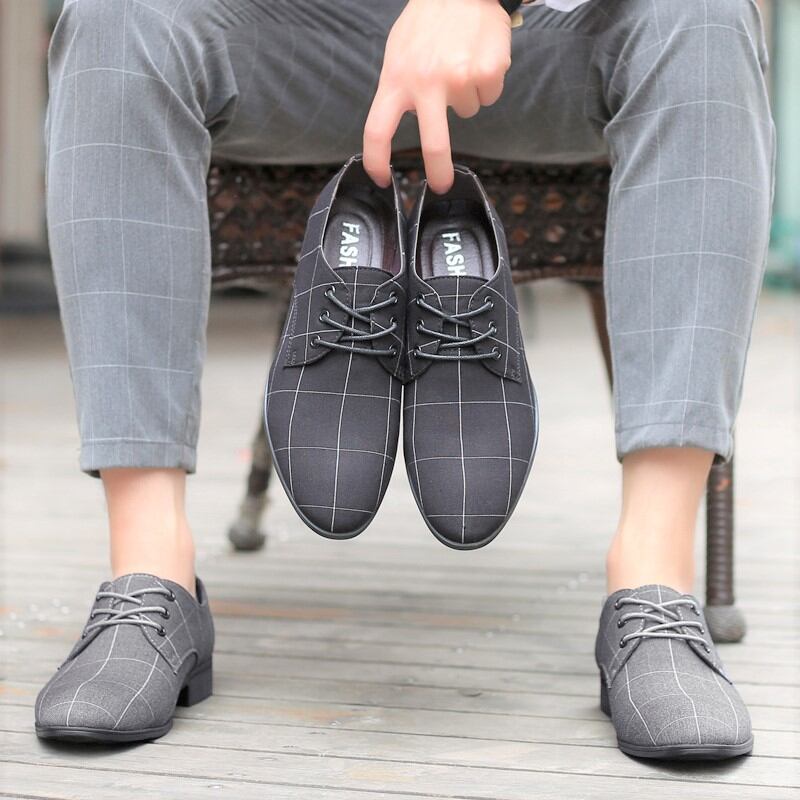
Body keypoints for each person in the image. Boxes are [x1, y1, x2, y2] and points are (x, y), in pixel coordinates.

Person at [36, 0, 774, 758]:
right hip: (301, 41)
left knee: (703, 17)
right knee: (117, 15)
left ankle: (654, 590)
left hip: (539, 47)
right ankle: (149, 581)